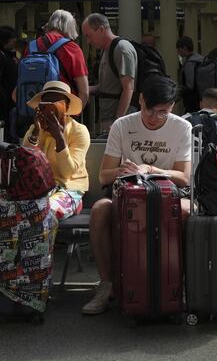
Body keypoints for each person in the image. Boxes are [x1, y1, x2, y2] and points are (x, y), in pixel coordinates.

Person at [82, 76, 191, 315]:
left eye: (163, 112)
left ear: (173, 106)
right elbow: (104, 176)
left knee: (186, 212)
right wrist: (124, 170)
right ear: (140, 99)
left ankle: (177, 284)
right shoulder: (122, 125)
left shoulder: (182, 127)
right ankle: (107, 284)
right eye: (150, 110)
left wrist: (152, 170)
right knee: (100, 210)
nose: (155, 118)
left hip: (168, 196)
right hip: (127, 196)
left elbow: (184, 177)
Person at [22, 81, 89, 223]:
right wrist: (35, 133)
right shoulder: (36, 128)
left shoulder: (78, 131)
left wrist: (59, 137)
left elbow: (67, 172)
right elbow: (24, 163)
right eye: (47, 103)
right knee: (16, 209)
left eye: (56, 102)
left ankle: (47, 245)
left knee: (43, 212)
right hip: (40, 188)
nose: (51, 108)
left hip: (69, 188)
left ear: (67, 106)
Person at [81, 13, 137, 132]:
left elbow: (128, 88)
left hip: (120, 123)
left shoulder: (122, 49)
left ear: (101, 30)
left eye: (89, 36)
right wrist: (85, 89)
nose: (88, 41)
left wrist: (118, 121)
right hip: (109, 121)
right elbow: (108, 86)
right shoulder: (106, 50)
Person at [24, 9, 89, 107]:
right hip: (62, 109)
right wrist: (75, 113)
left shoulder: (31, 47)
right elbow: (84, 91)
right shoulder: (72, 48)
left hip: (34, 108)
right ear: (70, 27)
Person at [177, 35, 203, 114]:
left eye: (179, 49)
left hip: (192, 101)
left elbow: (190, 85)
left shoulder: (190, 63)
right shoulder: (200, 59)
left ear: (184, 48)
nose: (178, 52)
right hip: (201, 97)